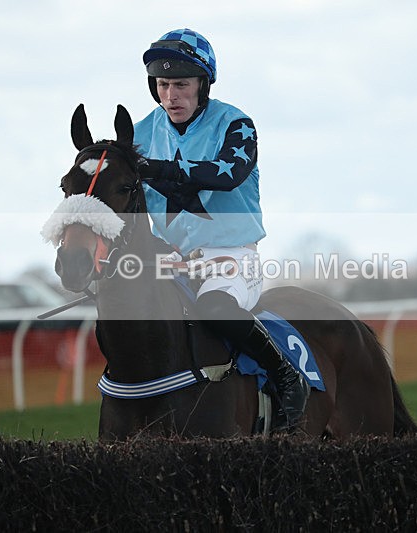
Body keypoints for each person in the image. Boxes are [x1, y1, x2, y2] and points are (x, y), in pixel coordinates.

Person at [133, 28, 309, 430]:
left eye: (181, 84)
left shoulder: (236, 124)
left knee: (213, 308)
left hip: (230, 259)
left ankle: (286, 376)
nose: (171, 96)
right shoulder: (141, 134)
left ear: (203, 84)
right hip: (169, 261)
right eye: (162, 85)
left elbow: (226, 175)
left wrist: (155, 169)